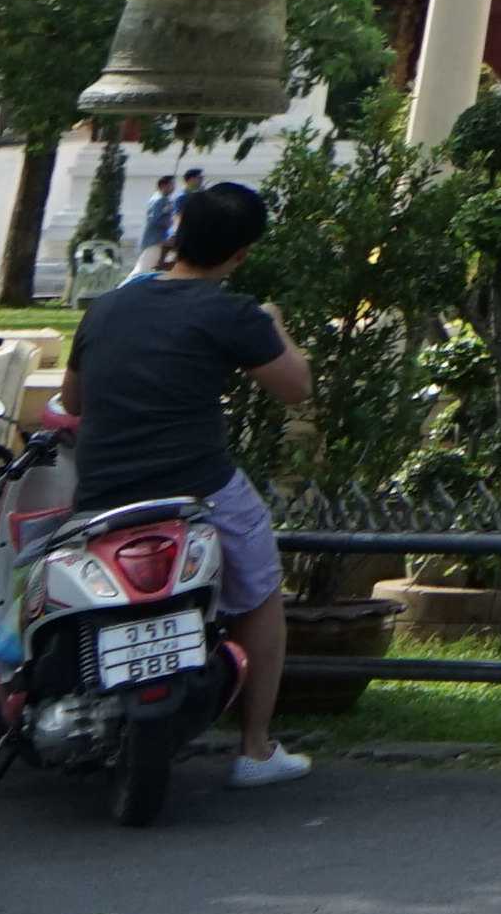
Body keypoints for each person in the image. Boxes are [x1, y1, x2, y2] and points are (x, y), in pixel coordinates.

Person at [53, 174, 320, 788]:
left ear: (176, 234)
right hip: (200, 489)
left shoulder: (107, 307)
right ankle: (256, 747)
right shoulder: (233, 313)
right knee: (260, 592)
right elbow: (297, 388)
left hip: (103, 493)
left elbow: (73, 401)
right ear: (241, 253)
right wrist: (274, 323)